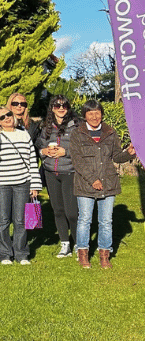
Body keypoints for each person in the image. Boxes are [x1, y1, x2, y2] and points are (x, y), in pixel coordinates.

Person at [70, 100, 136, 269]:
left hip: (108, 183)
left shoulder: (110, 132)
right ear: (84, 116)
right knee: (84, 220)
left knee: (106, 221)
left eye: (97, 112)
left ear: (102, 114)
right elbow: (77, 161)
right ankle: (83, 254)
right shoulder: (77, 134)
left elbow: (116, 157)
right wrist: (92, 179)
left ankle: (104, 255)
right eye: (90, 113)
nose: (94, 116)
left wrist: (128, 154)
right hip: (86, 184)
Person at [0, 106, 42, 265]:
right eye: (1, 117)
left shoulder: (24, 135)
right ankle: (4, 254)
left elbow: (32, 161)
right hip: (1, 183)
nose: (7, 118)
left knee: (20, 220)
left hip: (22, 182)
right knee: (3, 219)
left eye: (8, 114)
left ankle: (21, 253)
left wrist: (35, 184)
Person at [36, 96, 79, 258]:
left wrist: (66, 152)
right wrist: (44, 151)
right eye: (57, 105)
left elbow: (83, 149)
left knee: (72, 212)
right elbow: (39, 144)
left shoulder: (76, 126)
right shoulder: (46, 126)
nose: (61, 108)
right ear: (52, 108)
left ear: (68, 107)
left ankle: (78, 243)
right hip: (50, 173)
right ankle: (65, 244)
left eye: (64, 105)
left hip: (69, 172)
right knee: (58, 211)